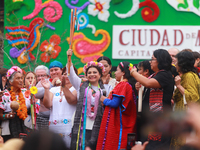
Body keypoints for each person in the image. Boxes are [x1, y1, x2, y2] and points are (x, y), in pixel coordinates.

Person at [67, 49, 112, 150]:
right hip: (81, 122)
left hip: (98, 123)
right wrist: (69, 58)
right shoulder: (81, 85)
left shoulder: (106, 89)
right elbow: (70, 74)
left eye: (95, 72)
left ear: (100, 74)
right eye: (89, 72)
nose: (92, 74)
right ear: (86, 75)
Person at [130, 49, 174, 150]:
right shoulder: (155, 75)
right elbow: (148, 85)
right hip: (152, 119)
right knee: (149, 145)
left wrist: (134, 73)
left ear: (160, 61)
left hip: (160, 120)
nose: (150, 61)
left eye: (152, 59)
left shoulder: (165, 74)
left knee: (156, 146)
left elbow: (149, 83)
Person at [96, 62, 137, 150]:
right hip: (126, 123)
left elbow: (114, 103)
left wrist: (104, 100)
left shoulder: (123, 85)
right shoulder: (127, 85)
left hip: (120, 125)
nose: (115, 73)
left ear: (123, 73)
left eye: (117, 70)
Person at [41, 66, 77, 148]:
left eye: (70, 74)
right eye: (65, 74)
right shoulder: (53, 90)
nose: (67, 76)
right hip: (54, 127)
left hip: (69, 127)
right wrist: (46, 89)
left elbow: (71, 100)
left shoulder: (76, 89)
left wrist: (64, 87)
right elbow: (47, 105)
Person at [171, 51, 200, 149]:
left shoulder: (188, 76)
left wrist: (178, 86)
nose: (175, 64)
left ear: (182, 63)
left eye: (177, 61)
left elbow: (193, 97)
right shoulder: (189, 75)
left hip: (186, 117)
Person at [0, 66, 31, 142]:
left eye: (21, 78)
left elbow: (32, 109)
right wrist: (7, 116)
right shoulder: (4, 95)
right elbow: (0, 115)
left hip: (25, 127)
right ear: (10, 82)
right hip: (9, 129)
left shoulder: (26, 92)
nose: (21, 80)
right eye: (18, 78)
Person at [35, 62, 63, 131]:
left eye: (56, 69)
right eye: (51, 70)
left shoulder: (66, 81)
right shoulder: (44, 81)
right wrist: (51, 85)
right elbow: (36, 94)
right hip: (44, 118)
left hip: (61, 117)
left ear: (61, 70)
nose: (54, 72)